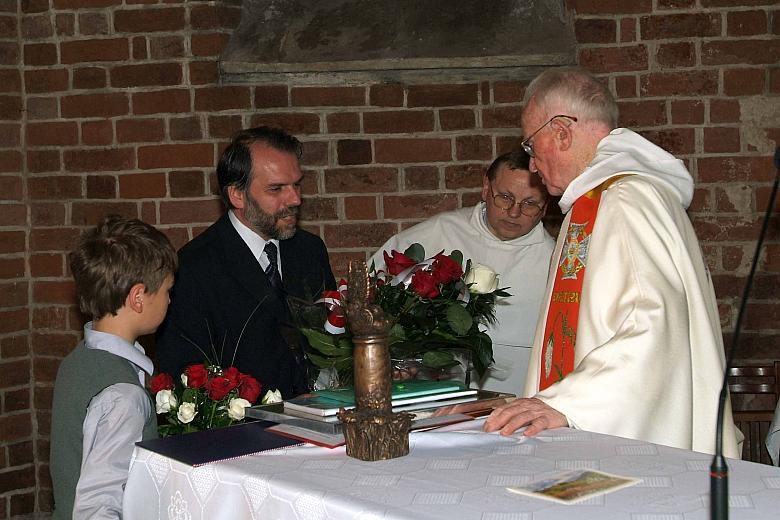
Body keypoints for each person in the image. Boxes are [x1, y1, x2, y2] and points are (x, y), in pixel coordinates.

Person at [481, 67, 740, 458]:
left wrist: (569, 402)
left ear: (562, 133)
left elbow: (654, 324)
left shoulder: (624, 200)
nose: (532, 164)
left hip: (627, 439)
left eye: (532, 146)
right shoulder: (599, 201)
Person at [155, 126, 336, 398]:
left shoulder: (309, 251)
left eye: (296, 184)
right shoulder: (195, 267)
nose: (295, 199)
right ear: (236, 195)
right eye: (276, 189)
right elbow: (185, 379)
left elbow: (333, 341)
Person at [371, 151, 555, 394]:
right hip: (437, 395)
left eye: (530, 204)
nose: (513, 212)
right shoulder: (437, 234)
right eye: (505, 197)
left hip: (523, 400)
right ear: (485, 187)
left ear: (545, 206)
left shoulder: (557, 258)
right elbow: (370, 298)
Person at [50, 216, 177, 519]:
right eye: (167, 291)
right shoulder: (123, 396)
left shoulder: (79, 359)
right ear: (137, 298)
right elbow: (98, 507)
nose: (170, 300)